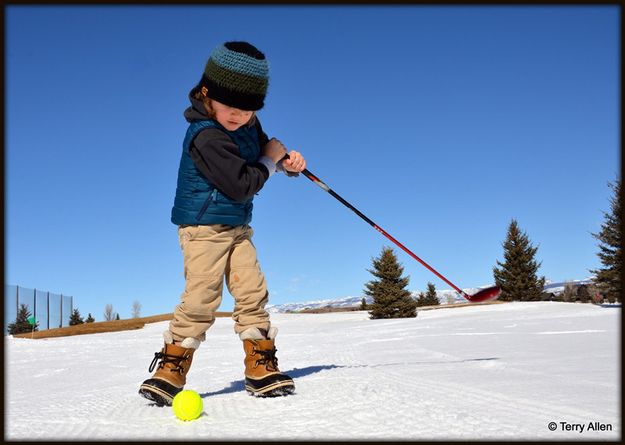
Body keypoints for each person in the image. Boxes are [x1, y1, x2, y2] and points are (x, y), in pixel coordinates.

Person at [139, 41, 306, 405]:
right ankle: (171, 366)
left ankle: (260, 365)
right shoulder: (205, 135)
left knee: (252, 291)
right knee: (202, 295)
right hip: (203, 229)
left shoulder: (248, 123)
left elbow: (263, 155)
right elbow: (244, 183)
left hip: (237, 226)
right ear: (206, 94)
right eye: (231, 107)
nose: (239, 117)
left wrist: (287, 164)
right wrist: (270, 160)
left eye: (248, 110)